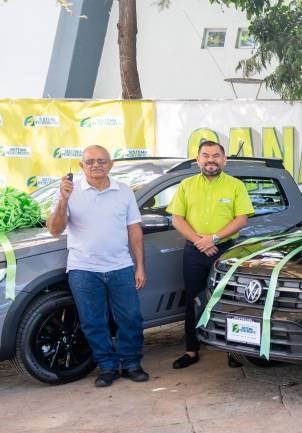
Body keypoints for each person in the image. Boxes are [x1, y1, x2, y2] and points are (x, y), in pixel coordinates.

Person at [47, 145, 148, 387]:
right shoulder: (69, 192)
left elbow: (134, 230)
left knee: (131, 317)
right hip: (83, 269)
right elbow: (55, 229)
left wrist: (140, 266)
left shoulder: (124, 191)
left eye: (101, 161)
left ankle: (131, 363)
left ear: (110, 164)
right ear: (81, 166)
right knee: (93, 321)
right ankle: (107, 366)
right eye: (90, 161)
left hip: (120, 266)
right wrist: (63, 199)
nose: (96, 165)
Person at [167, 141, 254, 369]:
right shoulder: (186, 185)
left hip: (225, 251)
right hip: (194, 252)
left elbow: (242, 218)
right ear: (198, 160)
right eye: (205, 155)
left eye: (216, 155)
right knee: (193, 300)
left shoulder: (235, 186)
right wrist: (200, 241)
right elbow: (177, 219)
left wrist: (213, 238)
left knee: (229, 302)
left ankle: (233, 352)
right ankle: (191, 350)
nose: (210, 160)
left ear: (224, 160)